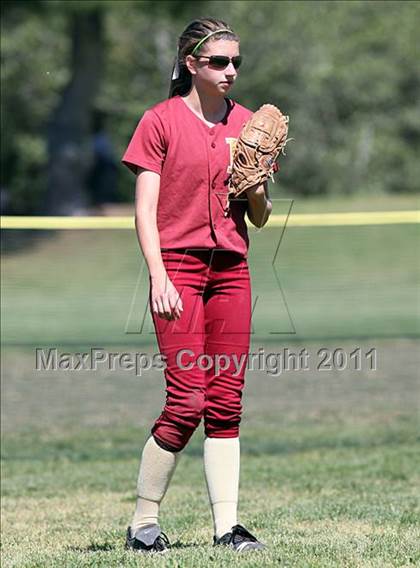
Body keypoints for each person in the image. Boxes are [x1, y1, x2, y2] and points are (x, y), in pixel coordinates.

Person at [121, 16, 275, 555]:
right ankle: (143, 524)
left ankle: (227, 528)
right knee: (187, 400)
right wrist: (158, 275)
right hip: (178, 269)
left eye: (236, 61)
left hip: (231, 270)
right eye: (217, 61)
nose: (229, 70)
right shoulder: (159, 121)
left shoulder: (250, 123)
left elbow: (258, 217)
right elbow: (144, 211)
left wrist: (255, 185)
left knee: (226, 400)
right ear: (191, 65)